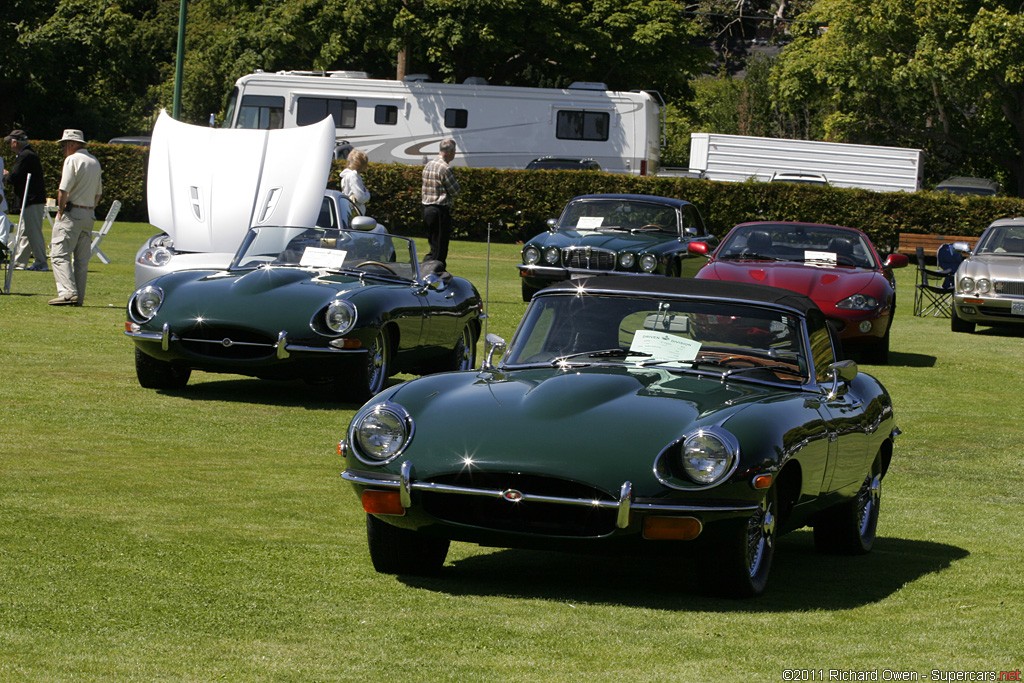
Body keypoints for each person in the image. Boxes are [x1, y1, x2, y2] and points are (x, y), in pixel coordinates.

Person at [49, 129, 102, 306]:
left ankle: (67, 292)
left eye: (64, 145)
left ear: (71, 144)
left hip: (72, 213)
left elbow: (63, 189)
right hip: (88, 214)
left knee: (59, 254)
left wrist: (61, 210)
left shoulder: (72, 160)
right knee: (81, 260)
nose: (63, 149)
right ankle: (78, 298)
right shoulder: (94, 161)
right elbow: (98, 194)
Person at [4, 129, 49, 271]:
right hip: (30, 199)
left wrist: (5, 175)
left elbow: (14, 177)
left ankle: (41, 262)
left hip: (32, 199)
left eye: (10, 142)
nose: (9, 145)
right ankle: (19, 262)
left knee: (33, 232)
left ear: (15, 142)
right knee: (24, 231)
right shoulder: (28, 154)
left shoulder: (25, 156)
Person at [420, 138, 460, 268]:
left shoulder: (429, 165)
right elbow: (455, 191)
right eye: (454, 151)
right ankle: (433, 273)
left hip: (427, 209)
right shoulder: (445, 168)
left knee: (433, 246)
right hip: (439, 210)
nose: (455, 154)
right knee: (440, 250)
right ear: (449, 152)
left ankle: (427, 269)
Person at [339, 148, 371, 216]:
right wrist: (367, 193)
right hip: (356, 213)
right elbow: (360, 198)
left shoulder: (346, 175)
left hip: (349, 211)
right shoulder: (353, 176)